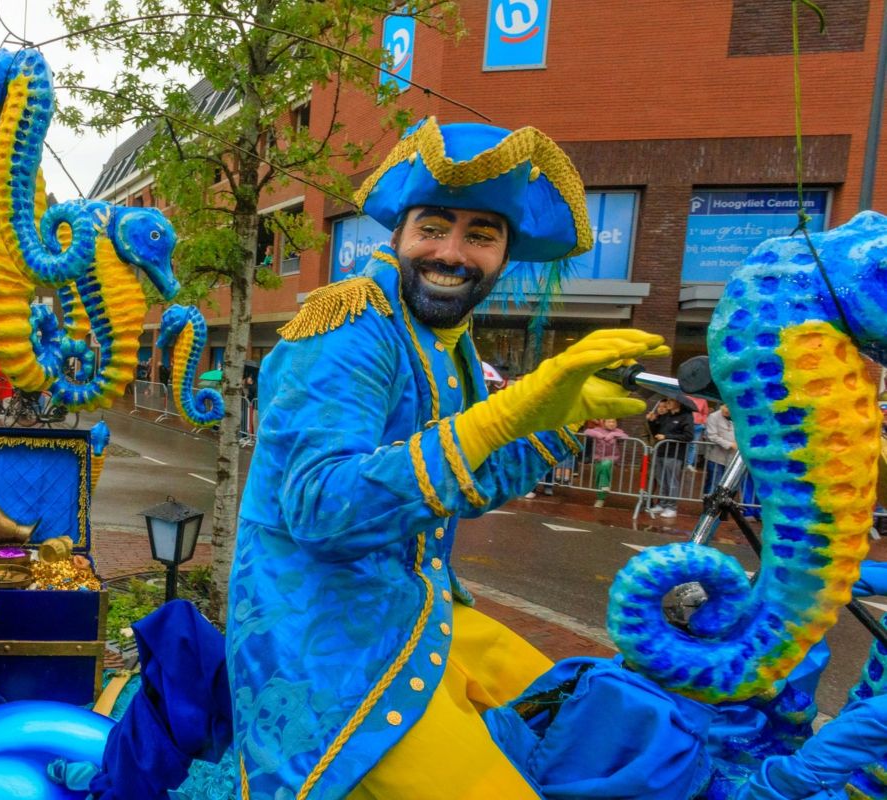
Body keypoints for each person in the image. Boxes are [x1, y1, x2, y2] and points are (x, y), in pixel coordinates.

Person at [228, 118, 665, 799]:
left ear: (504, 253)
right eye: (433, 227)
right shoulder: (349, 328)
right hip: (323, 636)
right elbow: (319, 509)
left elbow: (463, 485)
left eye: (479, 236)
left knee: (610, 719)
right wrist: (505, 413)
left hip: (414, 607)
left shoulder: (446, 339)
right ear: (398, 233)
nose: (450, 252)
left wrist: (562, 420)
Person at [647, 396, 694, 518]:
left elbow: (689, 436)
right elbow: (656, 433)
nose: (667, 403)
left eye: (671, 401)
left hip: (674, 453)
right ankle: (662, 503)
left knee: (672, 481)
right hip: (661, 451)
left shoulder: (686, 417)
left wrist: (667, 437)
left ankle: (671, 507)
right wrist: (651, 421)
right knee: (662, 480)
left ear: (679, 403)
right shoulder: (666, 416)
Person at [582, 417, 629, 507]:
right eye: (609, 421)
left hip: (611, 457)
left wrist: (613, 434)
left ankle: (603, 492)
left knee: (605, 465)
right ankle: (600, 498)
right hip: (599, 457)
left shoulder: (618, 431)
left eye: (613, 422)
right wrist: (597, 434)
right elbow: (587, 431)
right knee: (599, 477)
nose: (612, 424)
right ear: (603, 423)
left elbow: (625, 436)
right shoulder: (598, 429)